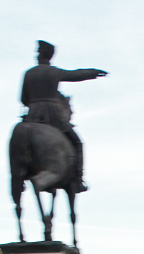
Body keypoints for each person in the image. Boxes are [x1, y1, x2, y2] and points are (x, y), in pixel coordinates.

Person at [20, 41, 107, 193]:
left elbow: (23, 99)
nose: (37, 55)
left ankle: (21, 174)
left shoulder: (29, 73)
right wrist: (92, 72)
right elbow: (75, 74)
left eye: (38, 52)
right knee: (77, 142)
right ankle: (78, 180)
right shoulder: (54, 72)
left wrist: (33, 103)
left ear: (42, 55)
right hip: (53, 115)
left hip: (33, 114)